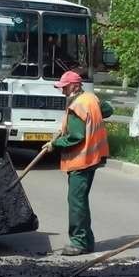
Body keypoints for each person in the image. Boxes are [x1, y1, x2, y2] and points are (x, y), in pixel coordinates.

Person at [42, 70, 114, 256]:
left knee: (76, 203)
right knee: (80, 201)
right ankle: (87, 241)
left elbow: (76, 136)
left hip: (81, 160)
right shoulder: (90, 98)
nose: (62, 90)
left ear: (74, 86)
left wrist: (54, 144)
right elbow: (108, 110)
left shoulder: (77, 106)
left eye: (64, 87)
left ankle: (79, 242)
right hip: (94, 158)